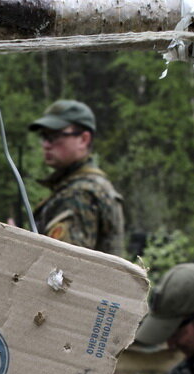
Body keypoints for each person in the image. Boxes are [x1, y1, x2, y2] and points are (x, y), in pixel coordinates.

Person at [28, 100, 125, 257]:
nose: (46, 144)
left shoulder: (79, 193)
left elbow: (63, 268)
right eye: (44, 136)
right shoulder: (92, 185)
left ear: (83, 139)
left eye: (54, 136)